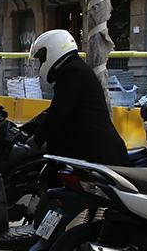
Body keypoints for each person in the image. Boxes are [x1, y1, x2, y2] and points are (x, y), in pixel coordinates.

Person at [24, 29, 128, 166]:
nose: (41, 63)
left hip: (97, 154)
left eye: (42, 58)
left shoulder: (73, 72)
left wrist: (36, 140)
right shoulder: (74, 68)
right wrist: (26, 128)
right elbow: (53, 110)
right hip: (87, 150)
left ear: (54, 49)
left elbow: (58, 112)